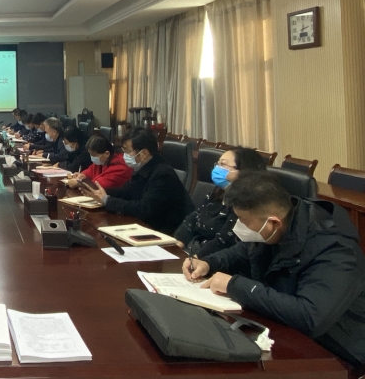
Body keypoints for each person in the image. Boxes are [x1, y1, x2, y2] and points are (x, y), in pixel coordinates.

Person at [184, 173, 365, 368]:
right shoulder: (281, 224)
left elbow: (310, 317)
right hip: (283, 330)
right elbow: (242, 251)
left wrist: (235, 285)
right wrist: (209, 263)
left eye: (243, 221)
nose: (238, 226)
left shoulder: (335, 249)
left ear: (273, 223)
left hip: (338, 351)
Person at [79, 127, 194, 234]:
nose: (124, 156)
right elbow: (126, 191)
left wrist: (107, 200)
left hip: (169, 233)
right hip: (147, 226)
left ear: (144, 153)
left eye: (127, 151)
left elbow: (144, 209)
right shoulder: (142, 168)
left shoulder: (162, 174)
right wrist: (98, 192)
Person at [174, 147, 265, 257]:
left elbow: (223, 241)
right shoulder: (218, 192)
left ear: (243, 172)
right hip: (191, 250)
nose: (217, 168)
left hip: (211, 259)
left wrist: (195, 260)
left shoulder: (245, 205)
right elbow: (192, 219)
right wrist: (176, 246)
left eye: (223, 164)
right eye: (217, 164)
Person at [67, 134, 132, 190]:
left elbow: (99, 185)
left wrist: (79, 183)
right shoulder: (103, 160)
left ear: (106, 153)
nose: (92, 157)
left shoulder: (121, 166)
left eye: (93, 155)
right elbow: (91, 170)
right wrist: (83, 175)